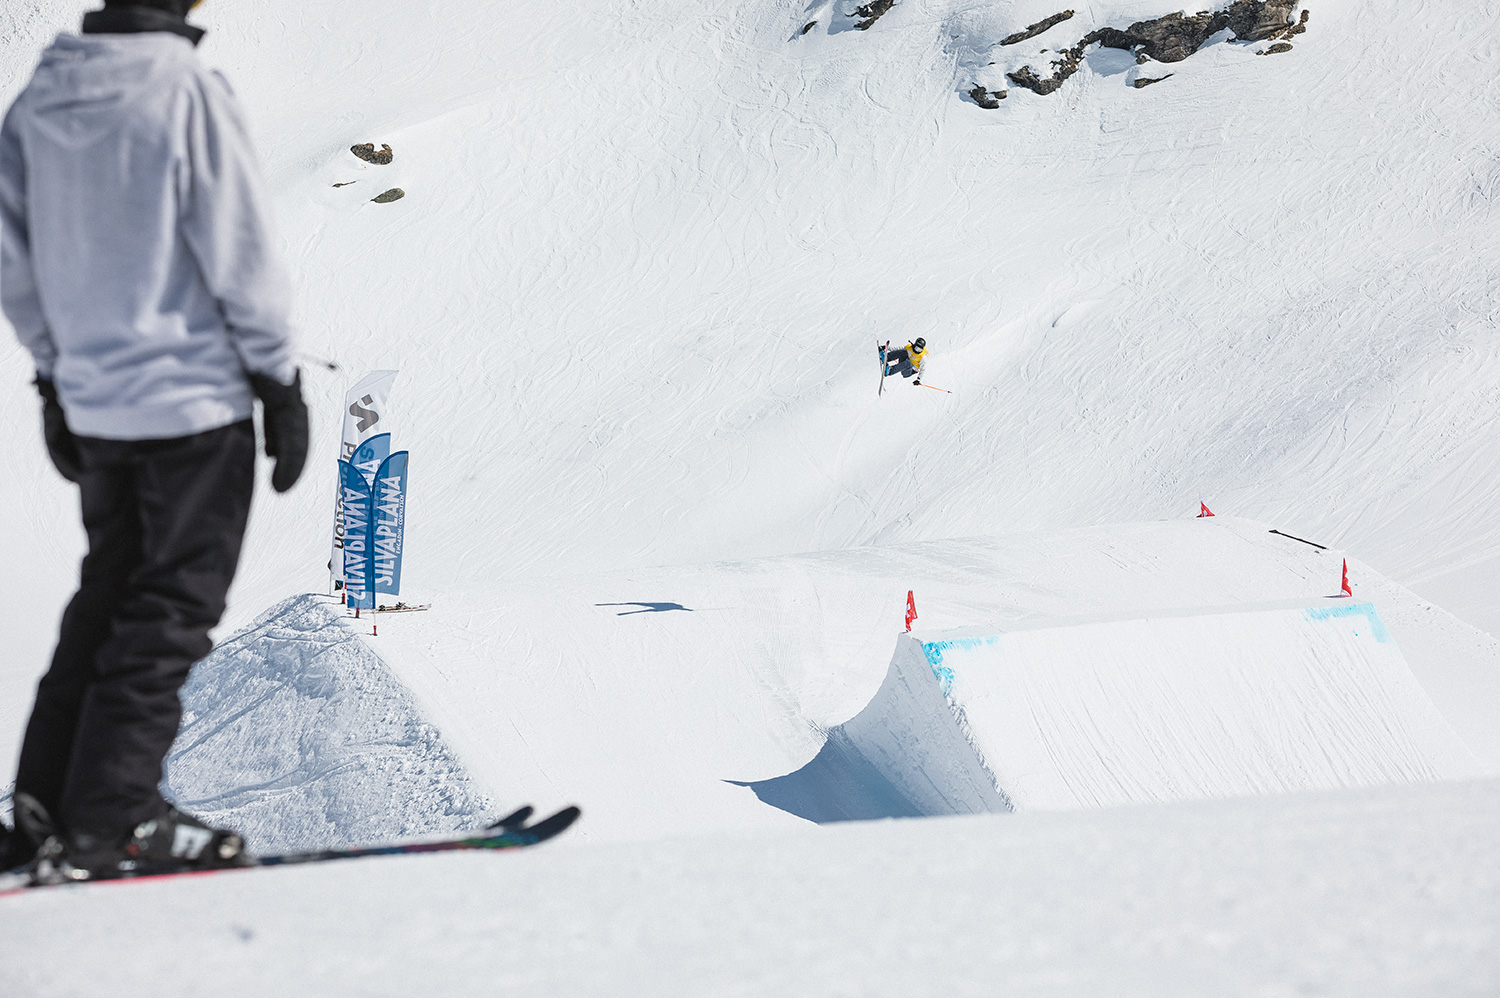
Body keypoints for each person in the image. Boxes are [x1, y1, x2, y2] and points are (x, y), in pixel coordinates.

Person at [0, 0, 308, 882]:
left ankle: (41, 810)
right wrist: (278, 382)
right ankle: (112, 819)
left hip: (100, 408)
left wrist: (55, 379)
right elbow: (239, 250)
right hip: (193, 411)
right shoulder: (185, 91)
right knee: (167, 611)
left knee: (106, 598)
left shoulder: (39, 97)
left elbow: (13, 262)